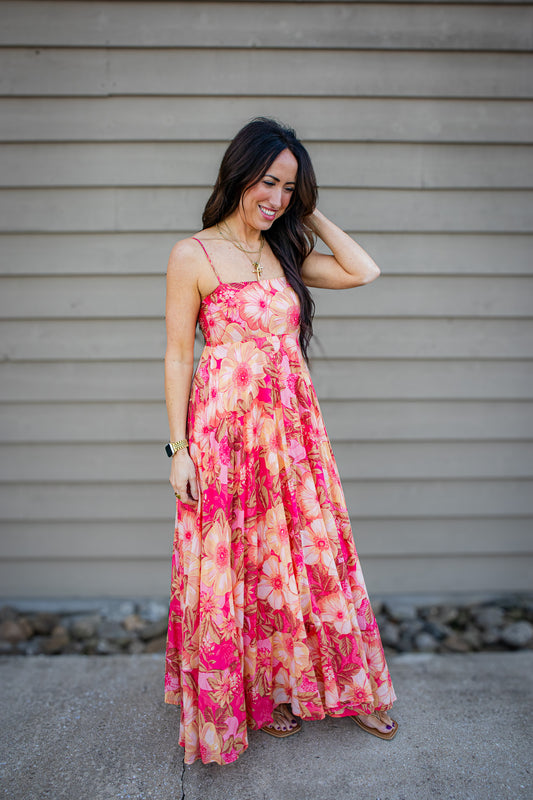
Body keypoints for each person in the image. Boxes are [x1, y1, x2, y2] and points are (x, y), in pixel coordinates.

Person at [163, 117, 397, 765]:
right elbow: (179, 355)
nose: (276, 197)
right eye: (268, 181)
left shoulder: (284, 251)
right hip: (225, 434)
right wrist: (177, 448)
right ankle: (263, 693)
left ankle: (346, 687)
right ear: (238, 174)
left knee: (307, 555)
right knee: (243, 565)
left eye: (289, 187)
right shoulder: (193, 254)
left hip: (292, 434)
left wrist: (310, 212)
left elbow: (363, 270)